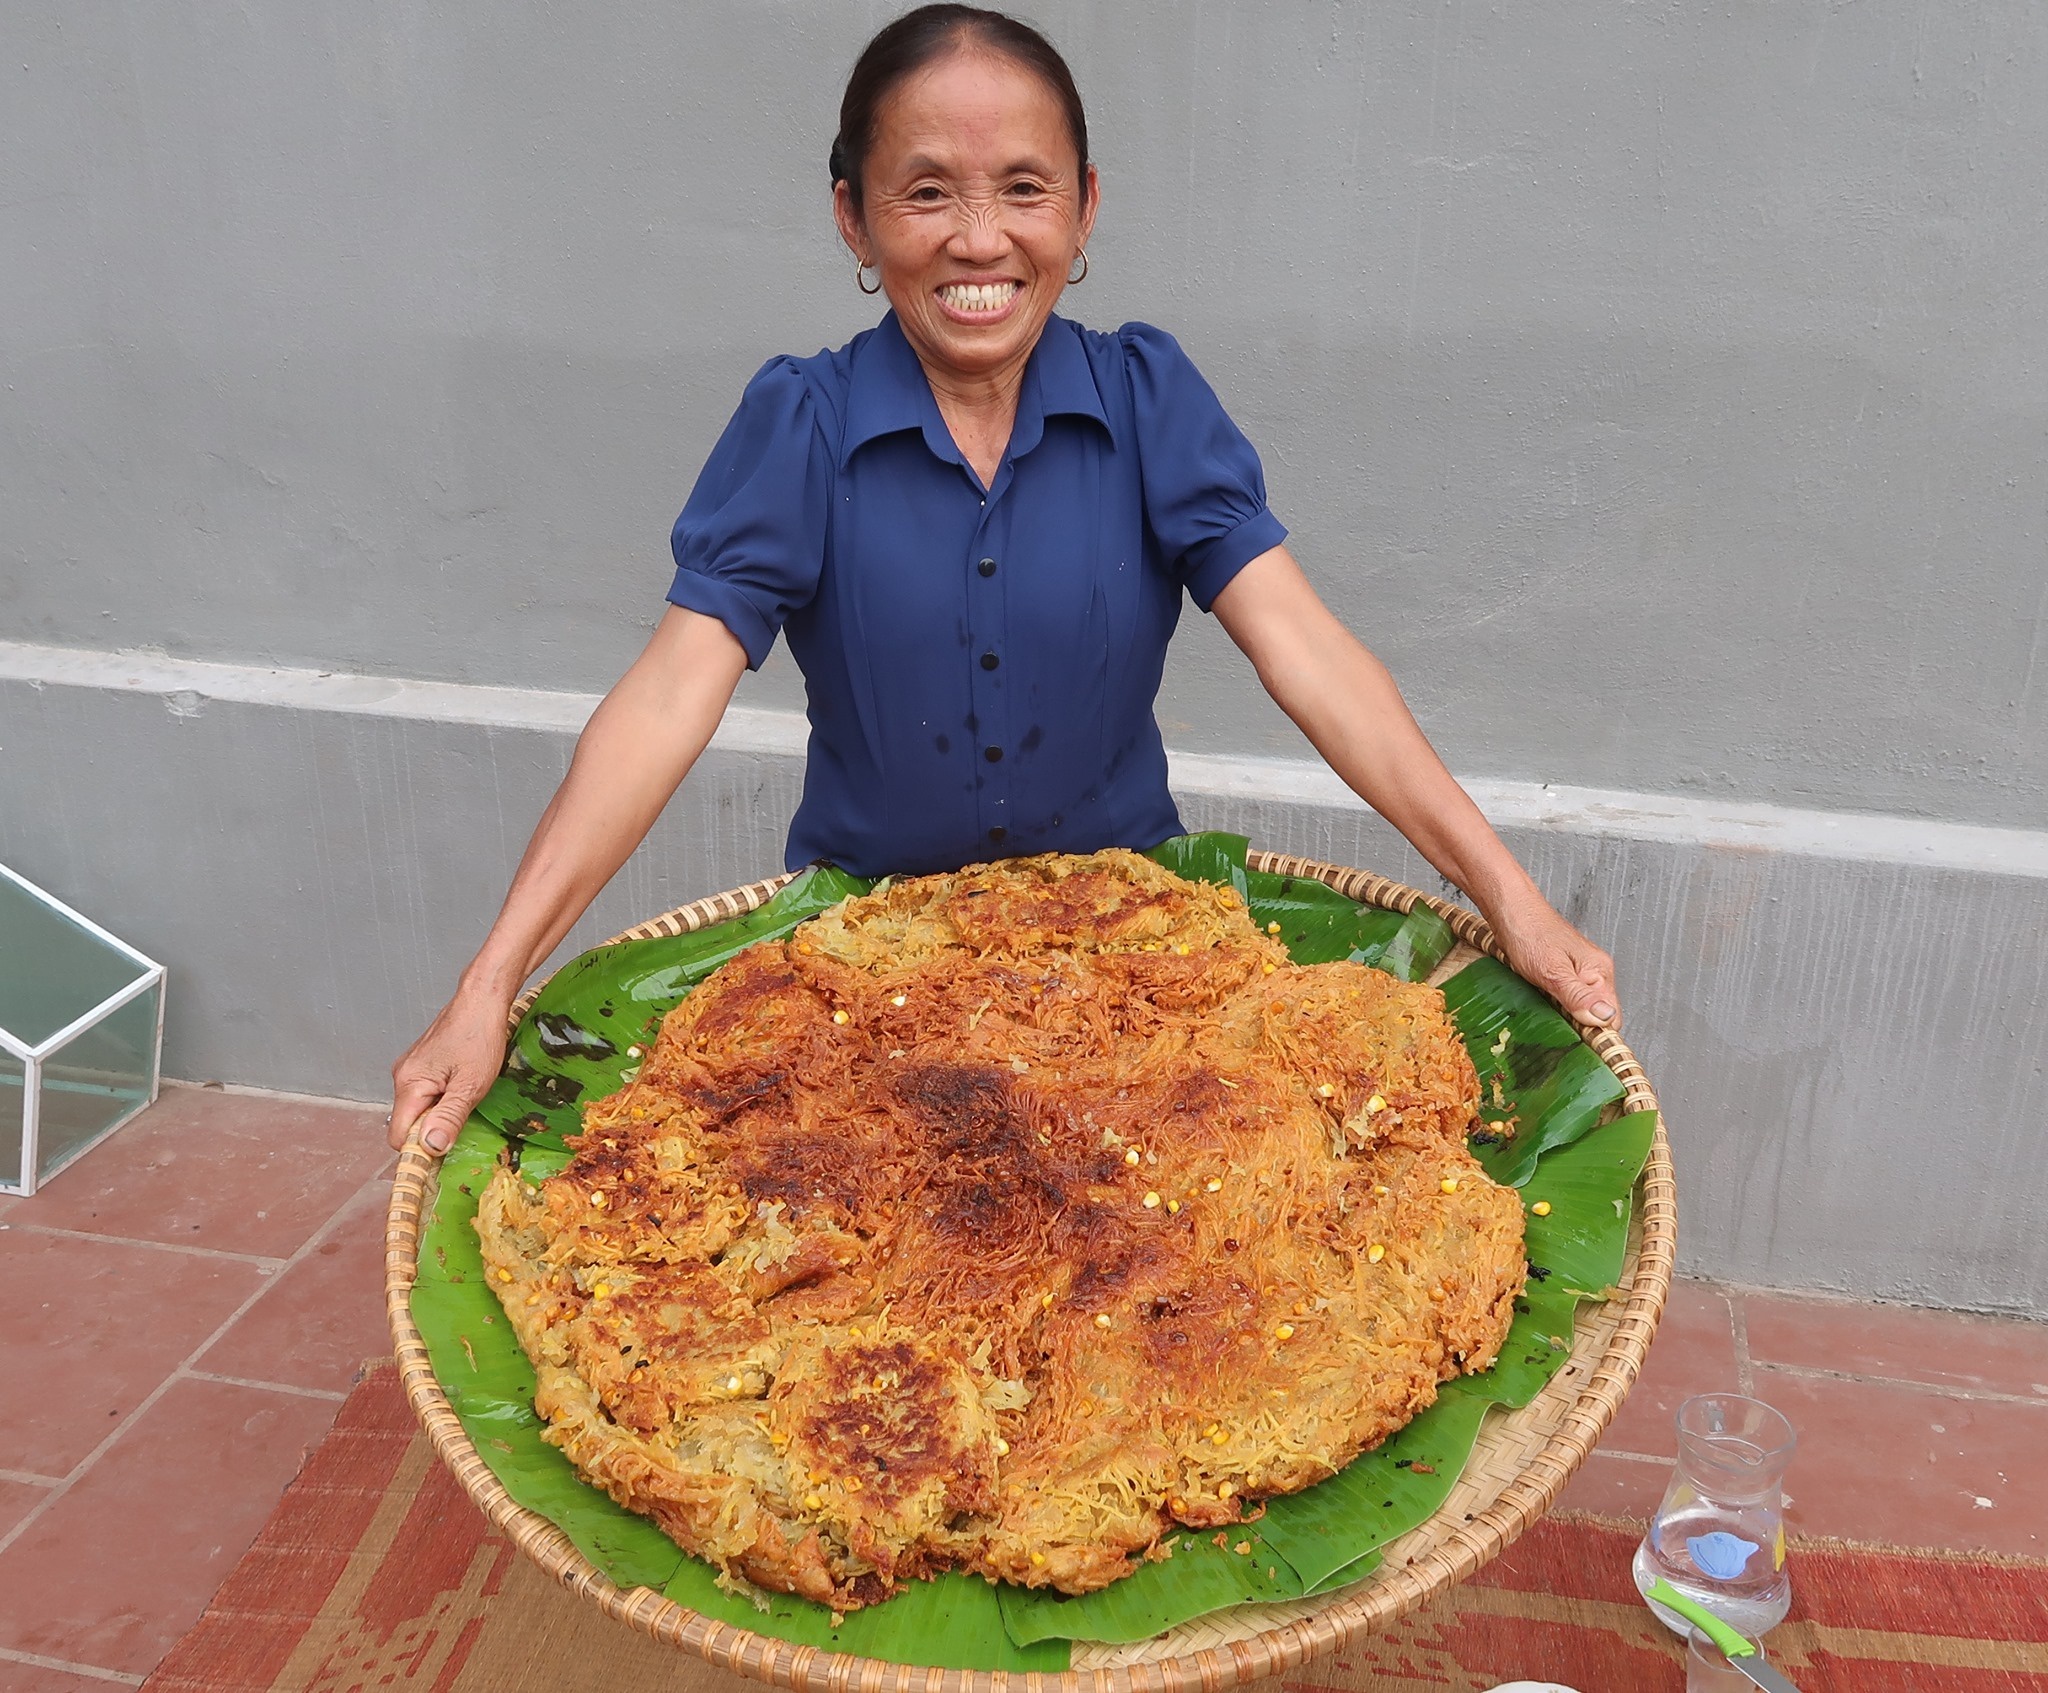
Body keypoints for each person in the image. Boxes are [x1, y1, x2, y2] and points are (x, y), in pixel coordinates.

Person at [388, 3, 1620, 1157]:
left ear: (1082, 209)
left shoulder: (1148, 402)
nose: (980, 239)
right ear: (852, 218)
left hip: (1138, 972)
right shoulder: (798, 427)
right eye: (925, 193)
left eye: (1023, 189)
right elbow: (664, 701)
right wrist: (488, 985)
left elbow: (1306, 651)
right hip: (865, 985)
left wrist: (1505, 895)